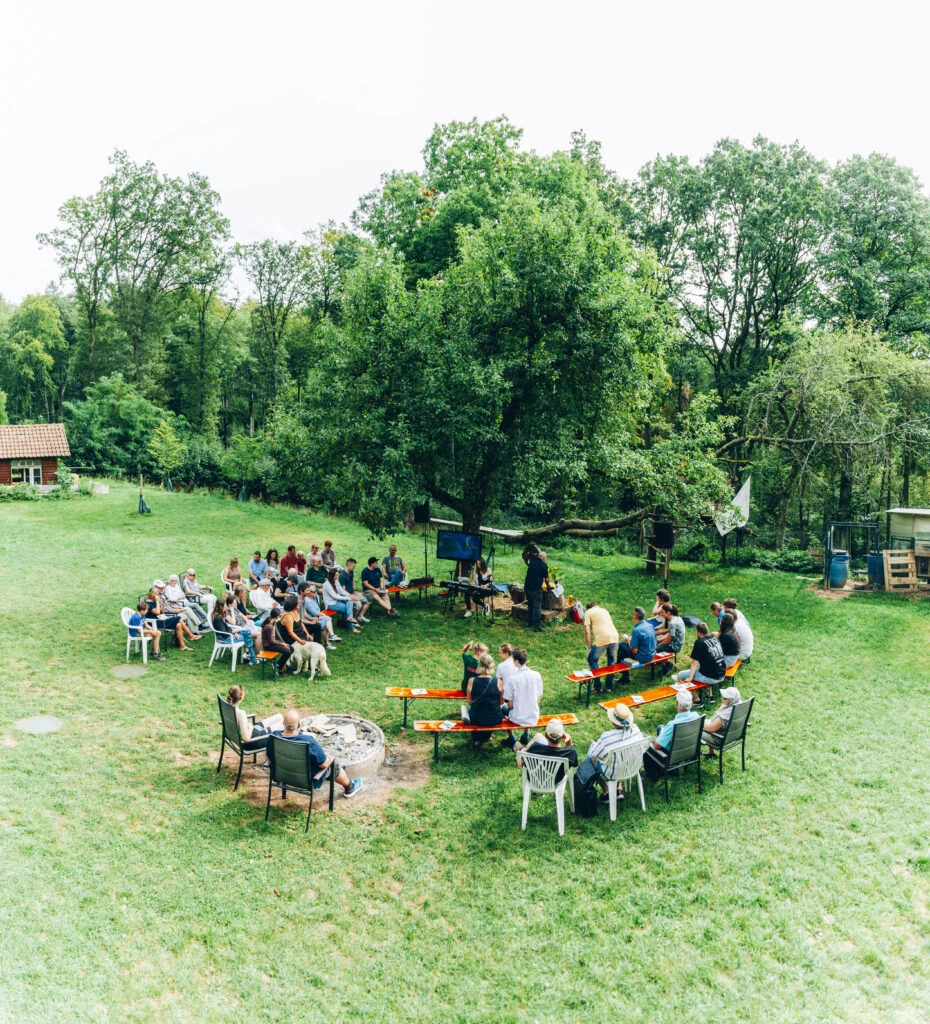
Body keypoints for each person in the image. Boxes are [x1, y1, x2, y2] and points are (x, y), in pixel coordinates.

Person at [273, 709, 362, 798]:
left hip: (282, 775)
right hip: (305, 780)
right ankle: (350, 787)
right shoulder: (308, 742)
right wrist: (327, 756)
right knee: (334, 764)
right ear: (299, 725)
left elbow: (271, 756)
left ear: (283, 723)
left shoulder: (273, 737)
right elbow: (324, 764)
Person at [576, 704, 643, 804]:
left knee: (590, 758)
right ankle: (618, 788)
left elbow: (594, 755)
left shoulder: (607, 738)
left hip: (613, 772)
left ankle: (606, 790)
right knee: (621, 756)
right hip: (632, 766)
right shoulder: (636, 730)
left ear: (612, 721)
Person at [643, 689, 700, 780]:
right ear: (691, 703)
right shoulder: (696, 716)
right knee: (660, 727)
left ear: (677, 703)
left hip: (672, 756)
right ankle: (673, 768)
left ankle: (651, 773)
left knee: (644, 739)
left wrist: (661, 735)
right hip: (688, 750)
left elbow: (656, 746)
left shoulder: (673, 725)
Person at [463, 652, 505, 748]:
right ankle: (487, 736)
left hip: (476, 717)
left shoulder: (472, 680)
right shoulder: (498, 682)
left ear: (479, 665)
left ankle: (479, 740)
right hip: (495, 718)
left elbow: (469, 701)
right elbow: (501, 702)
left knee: (472, 712)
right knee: (492, 712)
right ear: (491, 666)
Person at [503, 648, 543, 747]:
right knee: (528, 704)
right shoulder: (537, 675)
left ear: (516, 661)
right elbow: (538, 699)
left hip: (518, 717)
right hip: (533, 715)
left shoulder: (512, 678)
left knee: (502, 707)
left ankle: (511, 737)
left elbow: (510, 704)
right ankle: (526, 734)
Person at [675, 621, 726, 691]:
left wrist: (690, 678)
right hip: (722, 674)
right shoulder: (715, 639)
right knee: (701, 667)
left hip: (711, 678)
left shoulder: (699, 642)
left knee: (680, 675)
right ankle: (709, 695)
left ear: (699, 633)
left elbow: (694, 663)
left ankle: (696, 699)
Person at [149, 581, 198, 650]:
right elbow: (157, 612)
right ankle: (191, 635)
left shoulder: (154, 601)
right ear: (152, 595)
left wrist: (164, 602)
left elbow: (162, 611)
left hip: (162, 618)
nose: (158, 596)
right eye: (156, 595)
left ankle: (182, 646)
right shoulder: (149, 603)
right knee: (178, 618)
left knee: (178, 624)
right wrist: (157, 601)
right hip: (156, 623)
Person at [583, 600, 620, 693]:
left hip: (602, 638)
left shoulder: (588, 612)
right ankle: (609, 687)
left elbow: (587, 631)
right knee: (611, 660)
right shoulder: (604, 610)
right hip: (614, 637)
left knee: (592, 659)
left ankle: (597, 686)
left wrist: (590, 647)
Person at [702, 686, 742, 757]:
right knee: (707, 722)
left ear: (731, 700)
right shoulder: (739, 706)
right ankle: (711, 752)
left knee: (694, 729)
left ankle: (691, 756)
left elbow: (710, 729)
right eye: (723, 696)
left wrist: (701, 723)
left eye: (725, 698)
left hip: (719, 739)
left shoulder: (724, 716)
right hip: (733, 735)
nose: (722, 699)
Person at [221, 593, 259, 664]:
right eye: (234, 603)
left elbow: (243, 616)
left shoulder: (236, 609)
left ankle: (253, 653)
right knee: (258, 634)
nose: (236, 604)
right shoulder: (227, 613)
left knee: (261, 630)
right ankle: (255, 654)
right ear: (229, 604)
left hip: (245, 626)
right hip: (239, 628)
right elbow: (233, 623)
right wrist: (232, 611)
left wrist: (247, 621)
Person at [322, 568, 362, 634]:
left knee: (350, 601)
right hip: (331, 603)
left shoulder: (336, 581)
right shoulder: (327, 584)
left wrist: (350, 596)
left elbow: (341, 591)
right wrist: (347, 598)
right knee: (348, 608)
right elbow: (334, 596)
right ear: (333, 576)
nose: (338, 576)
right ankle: (351, 627)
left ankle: (350, 617)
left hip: (337, 600)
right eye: (336, 575)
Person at [279, 595, 312, 672]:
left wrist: (307, 633)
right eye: (297, 603)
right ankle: (306, 664)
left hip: (300, 634)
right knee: (308, 645)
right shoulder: (288, 616)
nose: (299, 604)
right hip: (290, 639)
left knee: (311, 644)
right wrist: (300, 640)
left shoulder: (295, 612)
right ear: (294, 606)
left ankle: (308, 664)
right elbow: (290, 632)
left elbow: (301, 623)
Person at [655, 603, 686, 676]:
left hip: (675, 645)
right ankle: (665, 663)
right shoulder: (677, 618)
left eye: (662, 612)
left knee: (655, 650)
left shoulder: (673, 623)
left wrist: (658, 645)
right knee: (658, 644)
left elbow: (667, 640)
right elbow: (669, 630)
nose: (661, 614)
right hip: (678, 642)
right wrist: (658, 633)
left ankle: (667, 665)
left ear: (668, 612)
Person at [523, 546, 549, 633]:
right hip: (536, 588)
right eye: (545, 558)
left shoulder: (532, 563)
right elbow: (546, 579)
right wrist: (548, 586)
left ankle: (530, 622)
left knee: (530, 605)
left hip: (527, 586)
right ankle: (537, 626)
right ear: (544, 558)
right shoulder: (543, 565)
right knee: (537, 606)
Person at [260, 607, 293, 672]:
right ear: (277, 617)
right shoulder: (268, 626)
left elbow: (277, 633)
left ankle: (278, 665)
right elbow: (270, 641)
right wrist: (281, 644)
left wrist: (284, 643)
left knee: (291, 648)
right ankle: (278, 666)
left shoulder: (273, 621)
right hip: (268, 646)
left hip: (273, 643)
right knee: (288, 652)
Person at [296, 581, 325, 646]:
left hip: (303, 622)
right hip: (298, 626)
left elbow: (304, 612)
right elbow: (298, 619)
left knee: (317, 625)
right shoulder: (297, 602)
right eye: (307, 590)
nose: (309, 592)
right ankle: (314, 644)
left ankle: (318, 644)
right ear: (301, 591)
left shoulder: (303, 599)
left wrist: (311, 619)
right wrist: (310, 622)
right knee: (315, 626)